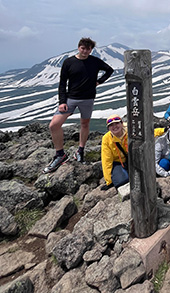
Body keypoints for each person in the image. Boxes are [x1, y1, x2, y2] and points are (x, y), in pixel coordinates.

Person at [44, 37, 114, 173]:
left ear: (91, 50)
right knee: (54, 125)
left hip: (88, 98)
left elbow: (109, 70)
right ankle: (60, 154)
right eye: (83, 48)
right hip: (71, 98)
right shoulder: (69, 62)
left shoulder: (94, 61)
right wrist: (62, 102)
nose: (85, 51)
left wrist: (99, 82)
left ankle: (80, 151)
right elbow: (62, 83)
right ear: (78, 47)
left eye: (88, 49)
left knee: (85, 124)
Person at [100, 114, 129, 189]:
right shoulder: (106, 139)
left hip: (132, 158)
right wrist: (109, 181)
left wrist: (162, 131)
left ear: (121, 124)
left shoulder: (130, 130)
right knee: (122, 181)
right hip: (118, 162)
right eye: (111, 125)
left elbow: (145, 134)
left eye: (117, 123)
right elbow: (106, 160)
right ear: (108, 128)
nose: (115, 127)